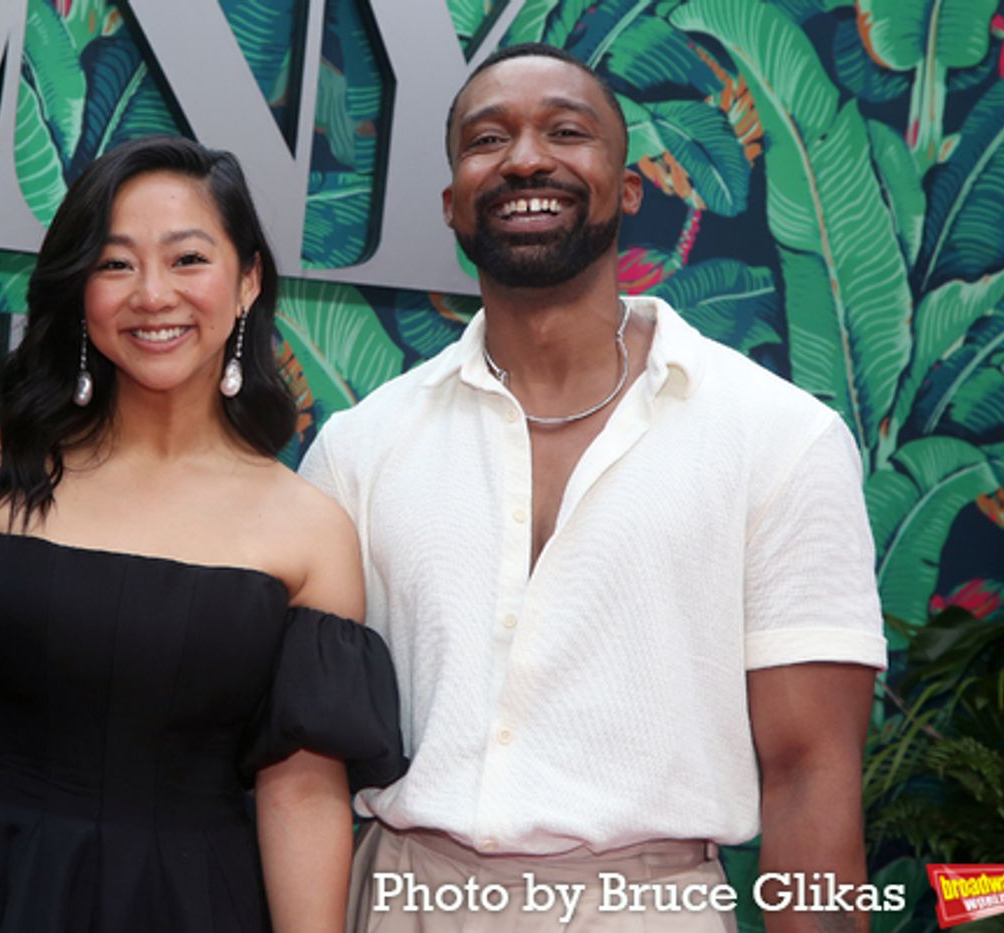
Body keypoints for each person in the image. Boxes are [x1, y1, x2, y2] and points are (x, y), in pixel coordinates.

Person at [300, 44, 887, 932]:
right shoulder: (359, 448)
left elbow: (811, 773)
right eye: (487, 138)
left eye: (567, 131)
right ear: (453, 202)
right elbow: (301, 758)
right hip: (405, 899)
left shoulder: (780, 438)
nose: (527, 157)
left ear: (628, 188)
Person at [0, 135, 406, 932]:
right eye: (115, 264)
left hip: (191, 903)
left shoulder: (309, 528)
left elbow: (300, 790)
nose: (153, 294)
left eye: (188, 259)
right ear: (78, 289)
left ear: (248, 280)